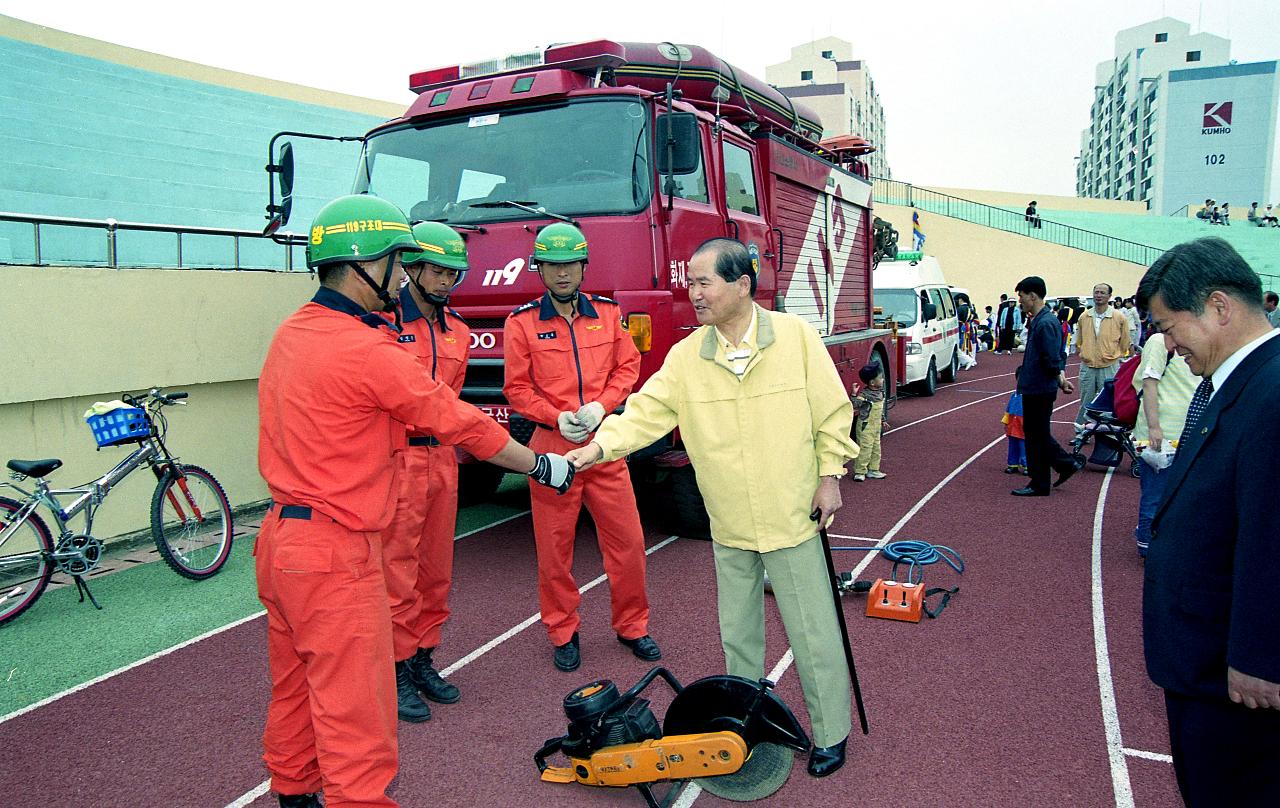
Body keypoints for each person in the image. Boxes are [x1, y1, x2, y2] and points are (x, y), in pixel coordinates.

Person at [255, 194, 574, 808]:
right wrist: (540, 462)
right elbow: (459, 421)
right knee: (359, 720)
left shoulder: (293, 332)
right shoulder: (366, 349)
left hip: (282, 542)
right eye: (399, 261)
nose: (403, 276)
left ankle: (295, 793)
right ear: (364, 262)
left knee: (295, 690)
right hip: (335, 551)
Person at [564, 238, 860, 778]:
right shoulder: (686, 356)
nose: (693, 292)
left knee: (813, 632)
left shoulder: (795, 339)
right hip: (726, 521)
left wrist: (830, 476)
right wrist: (595, 448)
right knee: (738, 634)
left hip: (793, 516)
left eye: (704, 282)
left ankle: (831, 732)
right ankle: (741, 720)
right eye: (691, 282)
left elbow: (832, 412)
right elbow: (644, 414)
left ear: (742, 284)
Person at [1137, 237, 1280, 806]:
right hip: (1207, 664)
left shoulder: (1270, 393)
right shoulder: (1239, 384)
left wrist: (1259, 656)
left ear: (1219, 307)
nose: (1168, 346)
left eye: (1171, 327)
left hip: (1236, 680)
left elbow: (1271, 535)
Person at [503, 221, 659, 673]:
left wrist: (601, 408)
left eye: (570, 264)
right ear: (540, 270)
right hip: (551, 450)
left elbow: (628, 368)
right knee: (555, 550)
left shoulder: (609, 315)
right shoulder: (522, 323)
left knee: (627, 543)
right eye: (553, 265)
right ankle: (562, 632)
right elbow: (515, 389)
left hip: (606, 443)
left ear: (584, 266)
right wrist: (555, 417)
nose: (563, 273)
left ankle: (633, 626)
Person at [380, 221, 478, 723]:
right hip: (397, 458)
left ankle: (423, 659)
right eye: (436, 270)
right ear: (412, 267)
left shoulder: (457, 330)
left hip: (442, 458)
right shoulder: (382, 323)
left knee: (436, 569)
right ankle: (395, 668)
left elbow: (453, 400)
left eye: (452, 273)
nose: (444, 281)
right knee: (397, 570)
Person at [1011, 275, 1081, 496]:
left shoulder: (1046, 323)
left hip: (1040, 388)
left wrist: (1060, 380)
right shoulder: (1039, 320)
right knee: (1036, 433)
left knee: (1036, 435)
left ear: (1033, 296)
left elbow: (1052, 357)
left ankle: (1043, 480)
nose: (1020, 302)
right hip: (1035, 385)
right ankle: (1061, 466)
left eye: (1022, 297)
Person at [1130, 330, 1195, 557]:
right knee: (1155, 492)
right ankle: (1147, 545)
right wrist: (1154, 426)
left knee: (1180, 493)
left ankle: (1163, 539)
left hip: (1189, 429)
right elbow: (1149, 384)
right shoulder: (1159, 342)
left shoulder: (1197, 339)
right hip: (1160, 434)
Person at [1074, 283, 1131, 435]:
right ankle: (1081, 431)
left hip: (1109, 365)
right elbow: (1079, 340)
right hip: (1088, 365)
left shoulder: (1118, 317)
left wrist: (1114, 354)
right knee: (1086, 399)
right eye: (1096, 292)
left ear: (1109, 296)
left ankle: (1106, 433)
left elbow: (1125, 341)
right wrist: (1086, 353)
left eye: (1102, 293)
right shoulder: (1084, 316)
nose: (1098, 295)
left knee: (1108, 401)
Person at [852, 362, 888, 482]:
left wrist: (883, 420)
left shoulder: (880, 393)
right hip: (865, 426)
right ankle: (860, 471)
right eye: (880, 378)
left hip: (876, 426)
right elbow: (855, 405)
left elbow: (881, 409)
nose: (883, 379)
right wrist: (854, 394)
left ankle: (873, 469)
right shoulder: (865, 395)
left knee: (876, 448)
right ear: (872, 383)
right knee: (865, 448)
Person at [1003, 368, 1027, 475]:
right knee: (1013, 446)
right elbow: (1008, 409)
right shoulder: (1014, 395)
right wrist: (1006, 421)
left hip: (1024, 426)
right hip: (1013, 425)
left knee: (1024, 447)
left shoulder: (1029, 396)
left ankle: (1027, 465)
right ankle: (1012, 464)